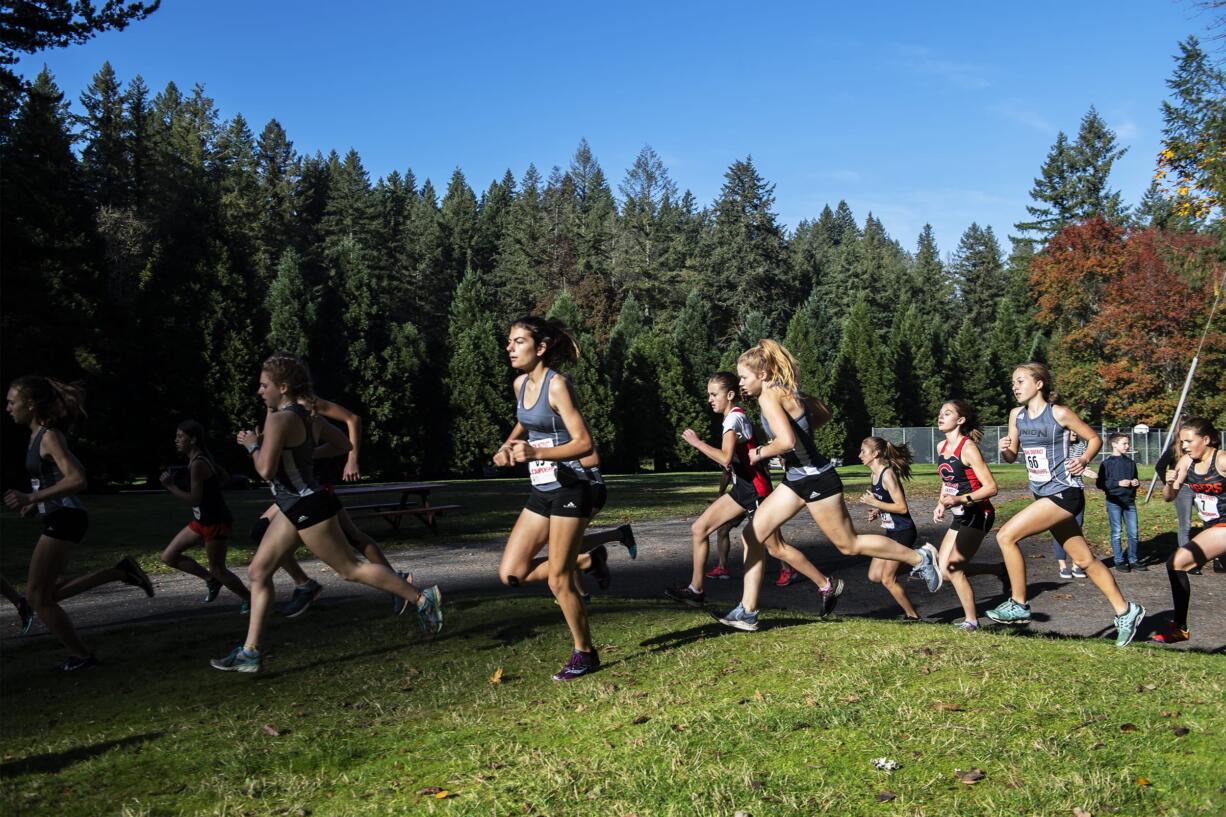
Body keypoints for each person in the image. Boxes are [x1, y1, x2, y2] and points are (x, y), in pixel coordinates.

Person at [210, 354, 441, 673]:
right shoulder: (308, 416)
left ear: (283, 386)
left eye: (264, 386)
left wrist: (251, 445)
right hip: (298, 504)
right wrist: (307, 455)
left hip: (306, 506)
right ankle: (250, 652)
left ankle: (421, 598)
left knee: (350, 569)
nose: (259, 391)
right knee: (258, 572)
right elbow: (343, 444)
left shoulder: (279, 420)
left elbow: (264, 470)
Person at [714, 340, 941, 632]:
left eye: (744, 377)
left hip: (816, 479)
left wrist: (760, 452)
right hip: (798, 478)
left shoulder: (768, 397)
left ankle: (919, 558)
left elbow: (787, 442)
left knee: (849, 545)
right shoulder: (791, 393)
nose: (741, 383)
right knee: (753, 534)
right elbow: (823, 414)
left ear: (764, 375)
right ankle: (747, 611)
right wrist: (801, 436)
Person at [986, 363, 1145, 647]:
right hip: (1042, 494)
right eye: (1013, 382)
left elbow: (1093, 438)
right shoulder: (1016, 416)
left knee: (1006, 536)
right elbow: (1012, 456)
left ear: (1039, 384)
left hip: (1065, 492)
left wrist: (1083, 460)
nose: (1015, 386)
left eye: (1020, 380)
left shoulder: (1058, 413)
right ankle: (1126, 610)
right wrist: (1005, 449)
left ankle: (1018, 604)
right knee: (1084, 560)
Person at [4, 376, 154, 671]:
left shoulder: (49, 436)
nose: (8, 407)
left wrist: (31, 498)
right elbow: (60, 478)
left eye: (12, 402)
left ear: (31, 404)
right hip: (60, 516)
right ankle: (119, 572)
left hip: (67, 519)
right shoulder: (35, 437)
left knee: (36, 596)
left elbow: (77, 479)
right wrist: (36, 505)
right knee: (46, 596)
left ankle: (82, 655)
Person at [492, 317, 605, 680]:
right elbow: (526, 421)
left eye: (518, 341)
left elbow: (586, 445)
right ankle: (585, 560)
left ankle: (584, 653)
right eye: (509, 341)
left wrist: (536, 454)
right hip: (543, 487)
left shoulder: (558, 386)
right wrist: (508, 446)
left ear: (540, 348)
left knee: (558, 579)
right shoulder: (519, 384)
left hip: (576, 484)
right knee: (511, 573)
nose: (510, 347)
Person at [668, 372, 830, 608]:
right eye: (709, 395)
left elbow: (725, 458)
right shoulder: (735, 418)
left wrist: (697, 443)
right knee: (699, 528)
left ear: (730, 395)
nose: (710, 399)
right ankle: (696, 589)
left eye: (714, 394)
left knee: (776, 548)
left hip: (756, 491)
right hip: (741, 489)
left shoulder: (734, 419)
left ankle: (825, 584)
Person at [158, 420, 250, 609]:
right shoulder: (199, 459)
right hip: (201, 520)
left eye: (180, 436)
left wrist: (170, 487)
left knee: (218, 569)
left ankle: (250, 599)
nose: (176, 440)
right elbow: (224, 477)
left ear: (192, 440)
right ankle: (210, 580)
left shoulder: (198, 464)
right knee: (168, 556)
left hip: (215, 522)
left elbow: (194, 499)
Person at [932, 400, 1003, 632]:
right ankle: (998, 570)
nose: (941, 416)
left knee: (953, 569)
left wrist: (961, 499)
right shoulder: (941, 446)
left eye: (948, 413)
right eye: (940, 413)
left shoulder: (968, 448)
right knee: (944, 571)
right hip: (959, 514)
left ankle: (971, 622)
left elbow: (991, 487)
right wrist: (941, 503)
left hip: (978, 513)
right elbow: (948, 480)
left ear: (960, 420)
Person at [1153, 417, 1226, 644]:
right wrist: (1169, 482)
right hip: (1214, 527)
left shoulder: (1222, 460)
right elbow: (1168, 497)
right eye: (1181, 441)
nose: (1184, 446)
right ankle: (1180, 628)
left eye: (1188, 441)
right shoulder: (1186, 462)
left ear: (1205, 439)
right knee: (1176, 564)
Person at [856, 436, 921, 622]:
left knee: (887, 578)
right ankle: (921, 563)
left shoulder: (887, 474)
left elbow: (902, 508)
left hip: (903, 531)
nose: (860, 455)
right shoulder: (873, 474)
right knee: (875, 575)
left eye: (863, 451)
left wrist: (875, 502)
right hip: (891, 531)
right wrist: (877, 510)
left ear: (875, 454)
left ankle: (913, 616)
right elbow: (887, 502)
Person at [1096, 433, 1143, 572]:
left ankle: (1133, 560)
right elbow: (1100, 483)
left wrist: (1135, 482)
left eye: (1128, 443)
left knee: (1133, 533)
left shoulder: (1130, 463)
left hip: (1129, 502)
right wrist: (1118, 483)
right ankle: (1119, 560)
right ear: (1114, 444)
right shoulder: (1107, 463)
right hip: (1114, 502)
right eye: (1124, 443)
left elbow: (1135, 478)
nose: (1127, 446)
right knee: (1116, 532)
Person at [1156, 433, 1200, 573]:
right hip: (1183, 489)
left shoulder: (1201, 449)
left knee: (1211, 521)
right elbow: (1160, 466)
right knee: (1185, 525)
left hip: (1200, 487)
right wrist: (1168, 484)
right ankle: (1186, 561)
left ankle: (1216, 557)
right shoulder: (1175, 450)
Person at [1051, 429, 1091, 579]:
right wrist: (1080, 469)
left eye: (1075, 430)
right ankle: (1063, 566)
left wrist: (1082, 467)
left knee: (1077, 527)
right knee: (1059, 528)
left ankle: (1077, 565)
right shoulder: (1056, 446)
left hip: (1077, 490)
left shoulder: (1081, 445)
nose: (1074, 433)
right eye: (1070, 430)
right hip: (1059, 491)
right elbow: (1058, 468)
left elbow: (1083, 461)